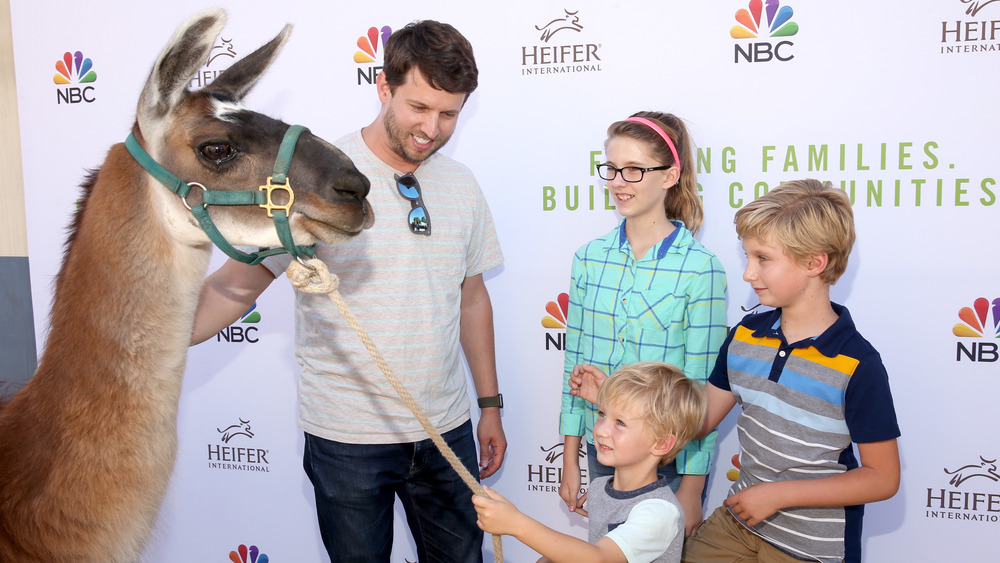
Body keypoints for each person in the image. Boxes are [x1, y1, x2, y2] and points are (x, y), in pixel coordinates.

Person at [190, 20, 505, 563]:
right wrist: (144, 340)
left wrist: (490, 405)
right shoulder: (315, 179)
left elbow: (473, 298)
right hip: (346, 441)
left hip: (446, 430)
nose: (432, 127)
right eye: (418, 107)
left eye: (448, 113)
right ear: (383, 87)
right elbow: (232, 289)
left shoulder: (462, 185)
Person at [681, 179, 901, 563]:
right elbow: (699, 421)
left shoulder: (858, 364)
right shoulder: (744, 335)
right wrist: (614, 398)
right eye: (747, 256)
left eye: (763, 258)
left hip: (812, 550)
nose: (749, 273)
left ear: (815, 263)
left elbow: (883, 478)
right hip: (735, 526)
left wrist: (780, 494)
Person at [558, 111, 728, 535]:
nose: (618, 181)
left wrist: (691, 489)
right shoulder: (588, 259)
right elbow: (573, 369)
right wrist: (570, 459)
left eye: (634, 170)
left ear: (670, 175)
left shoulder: (700, 269)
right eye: (612, 168)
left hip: (665, 461)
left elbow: (700, 392)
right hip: (601, 453)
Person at [474, 362, 707, 563]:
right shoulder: (599, 488)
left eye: (620, 423)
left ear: (661, 444)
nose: (602, 430)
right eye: (602, 414)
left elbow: (600, 558)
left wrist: (516, 524)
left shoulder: (659, 512)